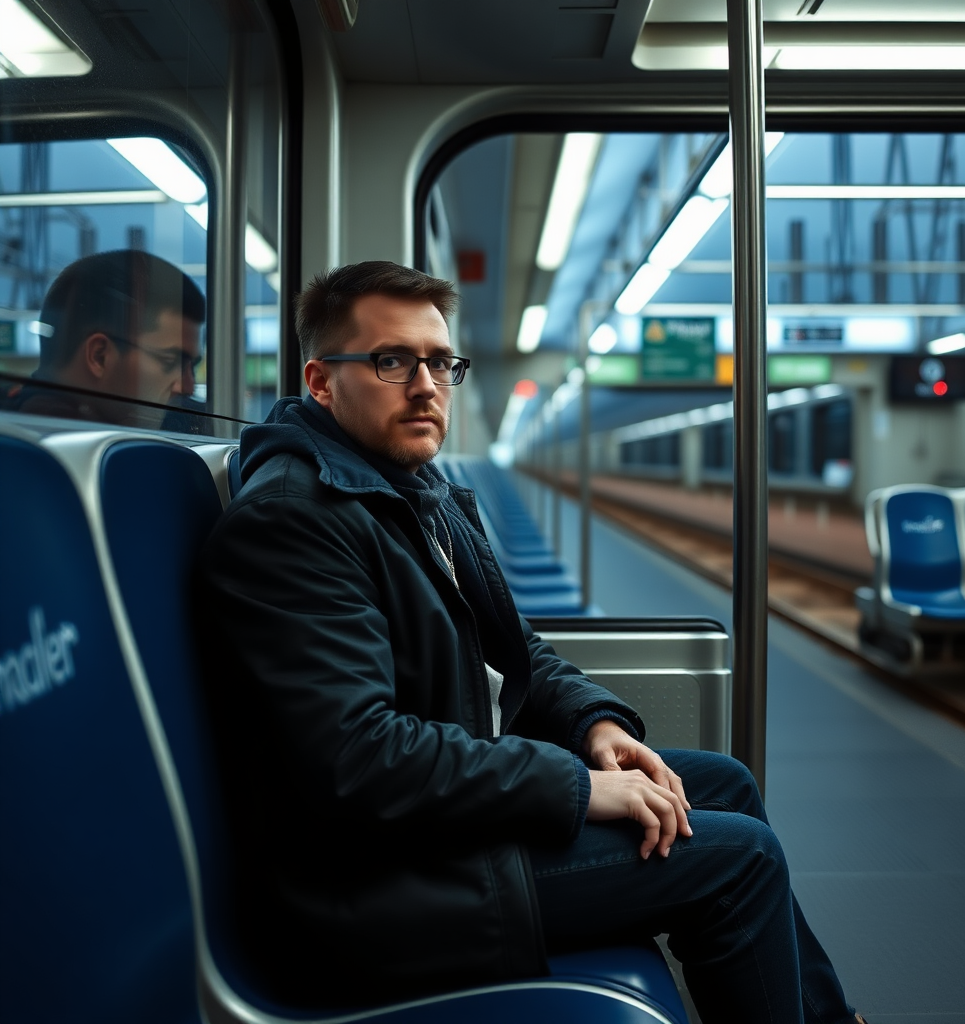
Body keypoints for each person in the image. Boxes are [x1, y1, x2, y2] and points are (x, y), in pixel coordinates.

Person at [194, 261, 867, 1023]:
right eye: (391, 361)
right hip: (369, 885)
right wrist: (577, 787)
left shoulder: (415, 492)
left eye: (440, 362)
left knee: (724, 783)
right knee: (743, 860)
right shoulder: (295, 521)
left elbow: (516, 652)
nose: (425, 385)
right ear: (321, 381)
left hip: (433, 835)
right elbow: (358, 761)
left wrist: (595, 726)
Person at [2, 249, 205, 429]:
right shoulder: (80, 457)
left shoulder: (25, 427)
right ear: (99, 356)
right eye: (171, 362)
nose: (187, 387)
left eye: (191, 367)